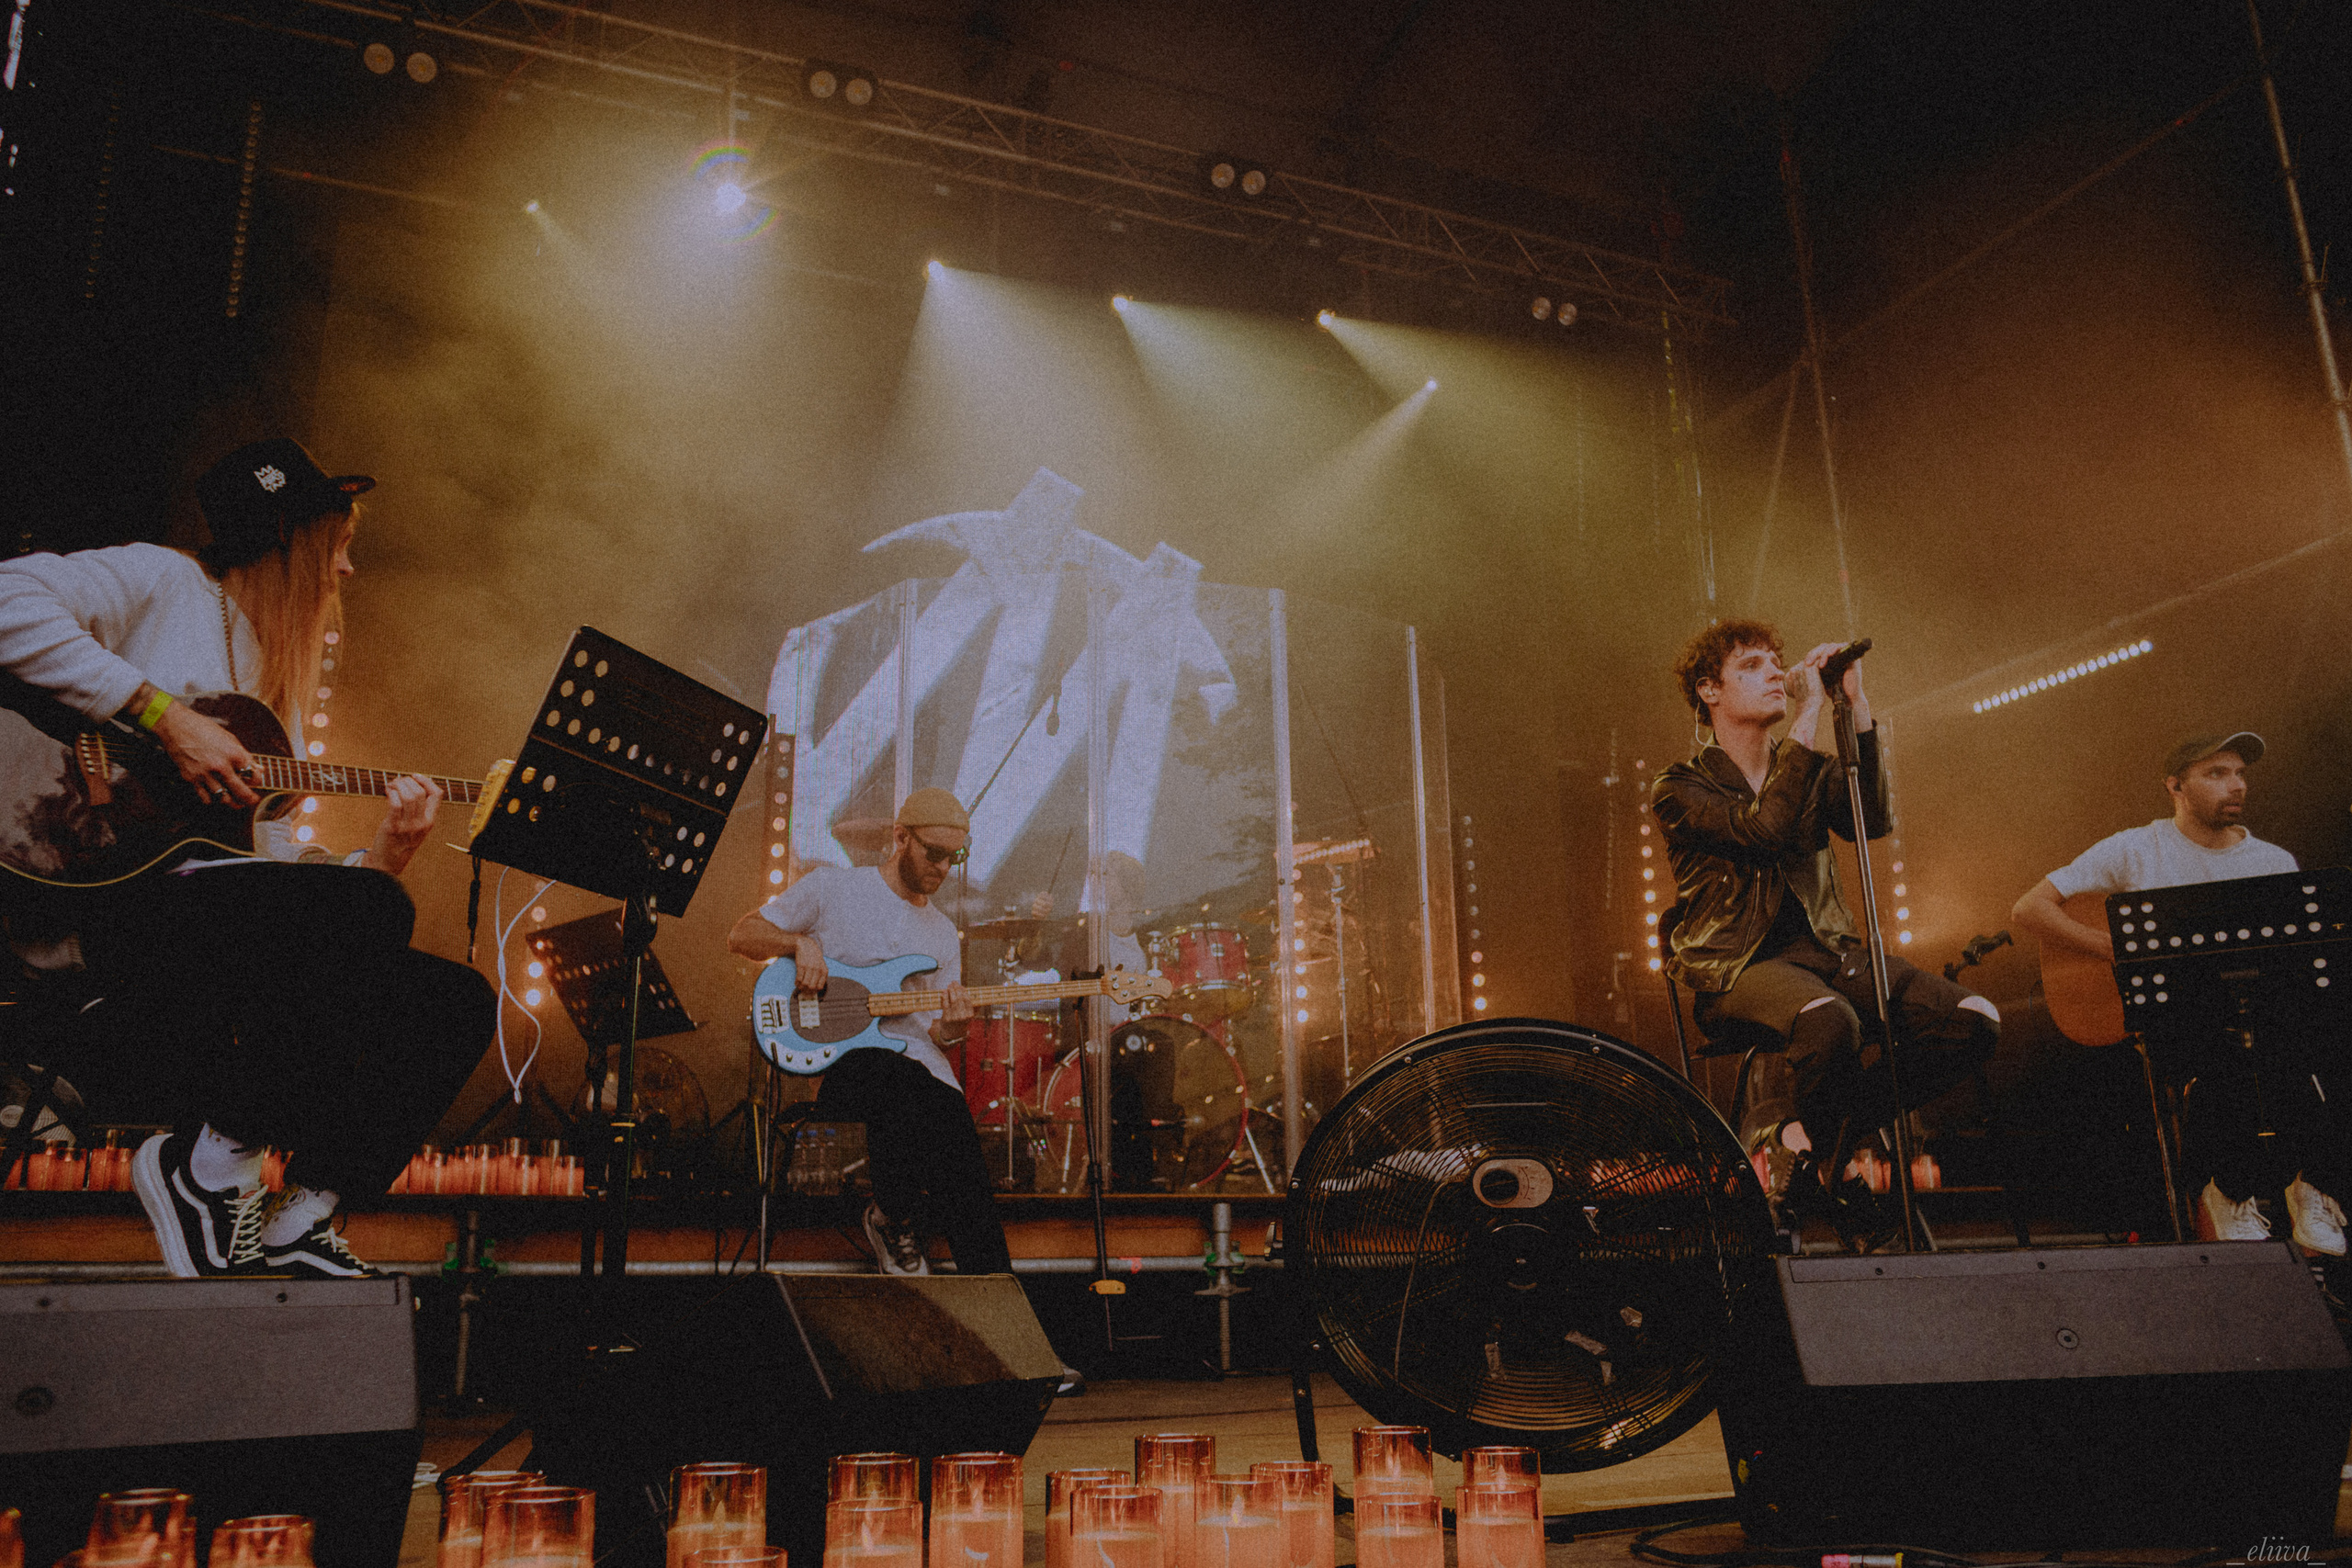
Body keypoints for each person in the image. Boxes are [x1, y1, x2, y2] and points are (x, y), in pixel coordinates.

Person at [0, 437, 497, 1277]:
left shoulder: (272, 688)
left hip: (196, 943)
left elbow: (264, 875)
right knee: (369, 916)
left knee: (454, 998)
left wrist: (389, 849)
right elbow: (8, 598)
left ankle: (303, 1214)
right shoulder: (164, 580)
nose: (345, 573)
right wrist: (164, 715)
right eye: (336, 548)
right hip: (86, 906)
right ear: (283, 539)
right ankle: (211, 1161)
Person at [1651, 619, 1998, 1245]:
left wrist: (1853, 705)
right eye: (1752, 665)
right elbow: (1762, 833)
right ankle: (1831, 1164)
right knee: (1830, 1020)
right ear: (1710, 690)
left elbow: (1874, 818)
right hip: (1735, 967)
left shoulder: (1804, 765)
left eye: (1775, 662)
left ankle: (1797, 1135)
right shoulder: (1680, 787)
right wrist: (1809, 716)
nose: (1774, 674)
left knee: (1973, 1017)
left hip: (1827, 951)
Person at [2009, 731, 2344, 1251]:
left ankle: (2310, 1185)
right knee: (2229, 1049)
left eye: (2238, 773)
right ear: (2176, 786)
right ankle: (2230, 1189)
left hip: (2263, 1018)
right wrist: (2106, 946)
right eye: (2216, 774)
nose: (2235, 785)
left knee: (2309, 1042)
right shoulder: (2136, 847)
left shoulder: (2274, 860)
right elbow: (2030, 908)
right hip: (2175, 1021)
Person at [728, 786, 1011, 1279]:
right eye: (935, 853)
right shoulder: (832, 889)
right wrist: (797, 944)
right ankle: (897, 1216)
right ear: (901, 837)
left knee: (958, 1138)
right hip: (842, 1064)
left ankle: (1001, 1305)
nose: (944, 867)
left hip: (918, 1073)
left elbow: (938, 1034)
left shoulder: (942, 932)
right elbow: (742, 935)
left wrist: (952, 1027)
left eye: (956, 857)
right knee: (900, 1081)